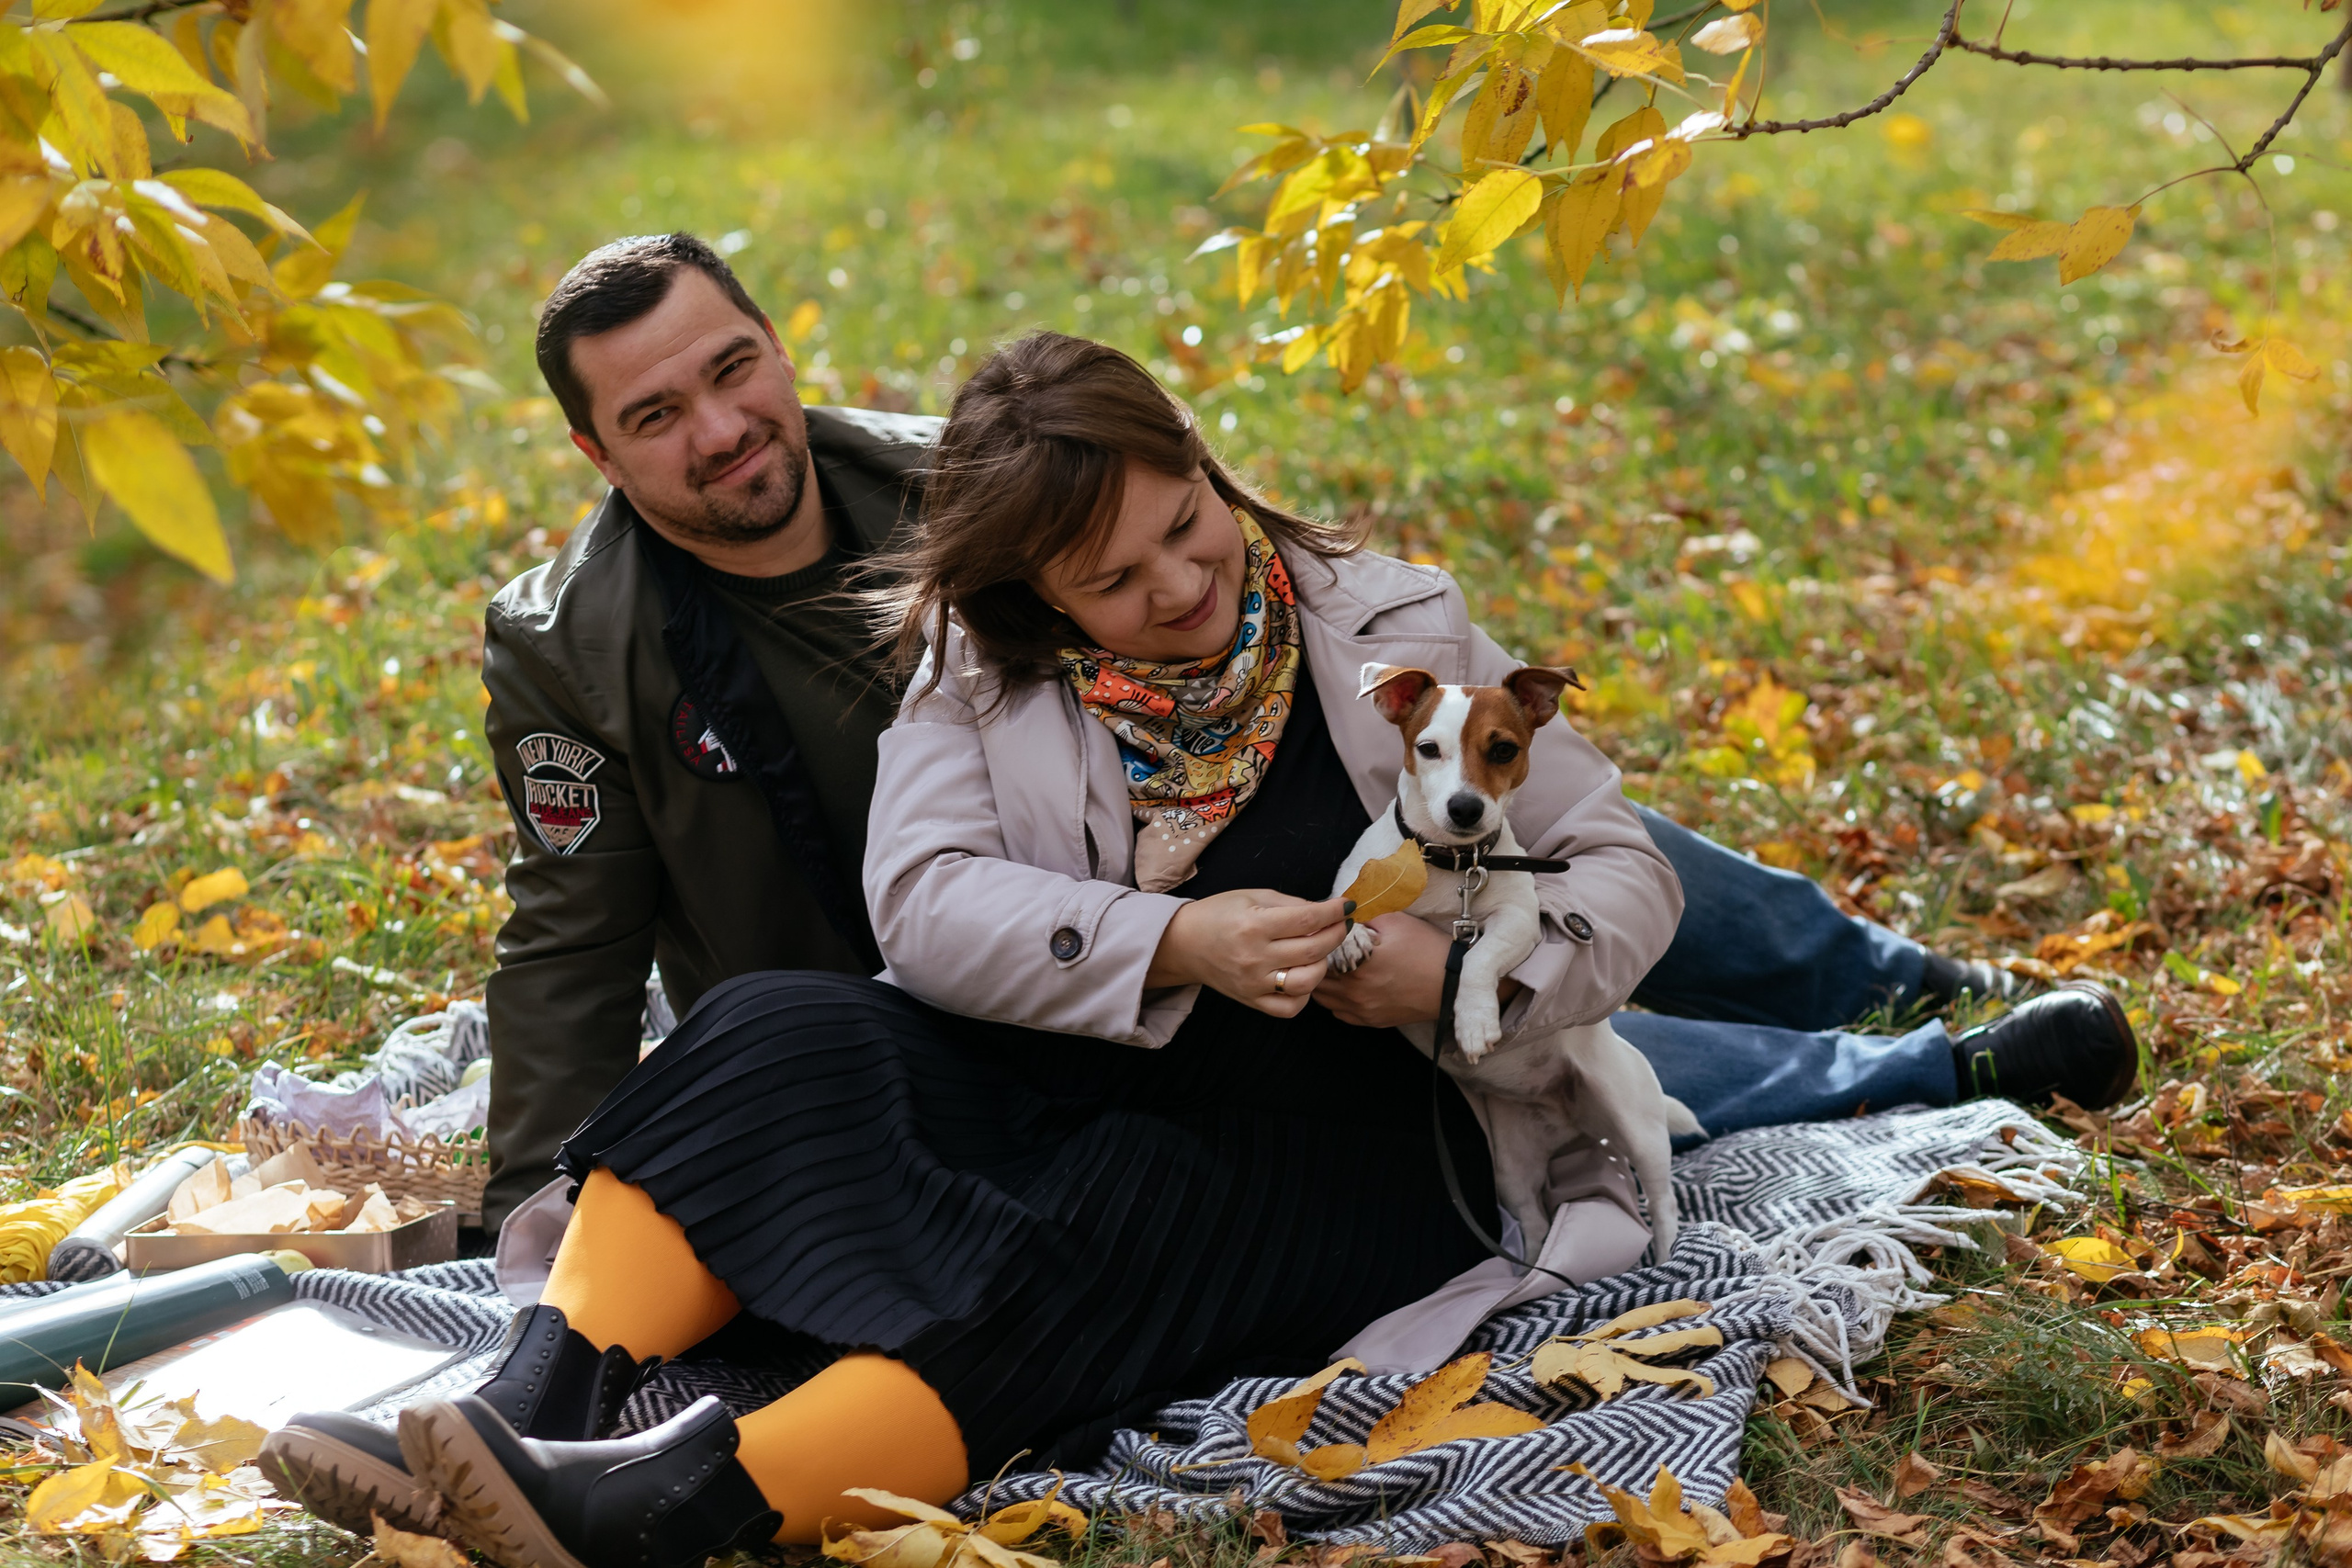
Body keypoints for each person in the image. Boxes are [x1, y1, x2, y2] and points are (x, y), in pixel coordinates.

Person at [259, 322, 2134, 1568]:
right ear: (1027, 597)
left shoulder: (1376, 614)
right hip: (1091, 1052)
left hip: (1368, 1138)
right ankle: (517, 1411)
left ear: (1206, 470)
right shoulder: (974, 674)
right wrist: (1167, 935)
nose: (1176, 587)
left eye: (1187, 526)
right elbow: (922, 910)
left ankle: (671, 1501)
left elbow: (1614, 862)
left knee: (1101, 1234)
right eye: (1113, 579)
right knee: (762, 1032)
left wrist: (1456, 980)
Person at [459, 232, 2138, 1235]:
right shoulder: (575, 650)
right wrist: (536, 1193)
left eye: (733, 365)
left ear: (775, 341)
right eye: (656, 414)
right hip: (976, 980)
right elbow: (570, 940)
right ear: (603, 456)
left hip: (1217, 827)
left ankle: (1885, 971)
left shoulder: (968, 468)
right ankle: (1919, 1072)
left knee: (1491, 831)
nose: (722, 425)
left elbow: (1231, 565)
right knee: (1448, 1030)